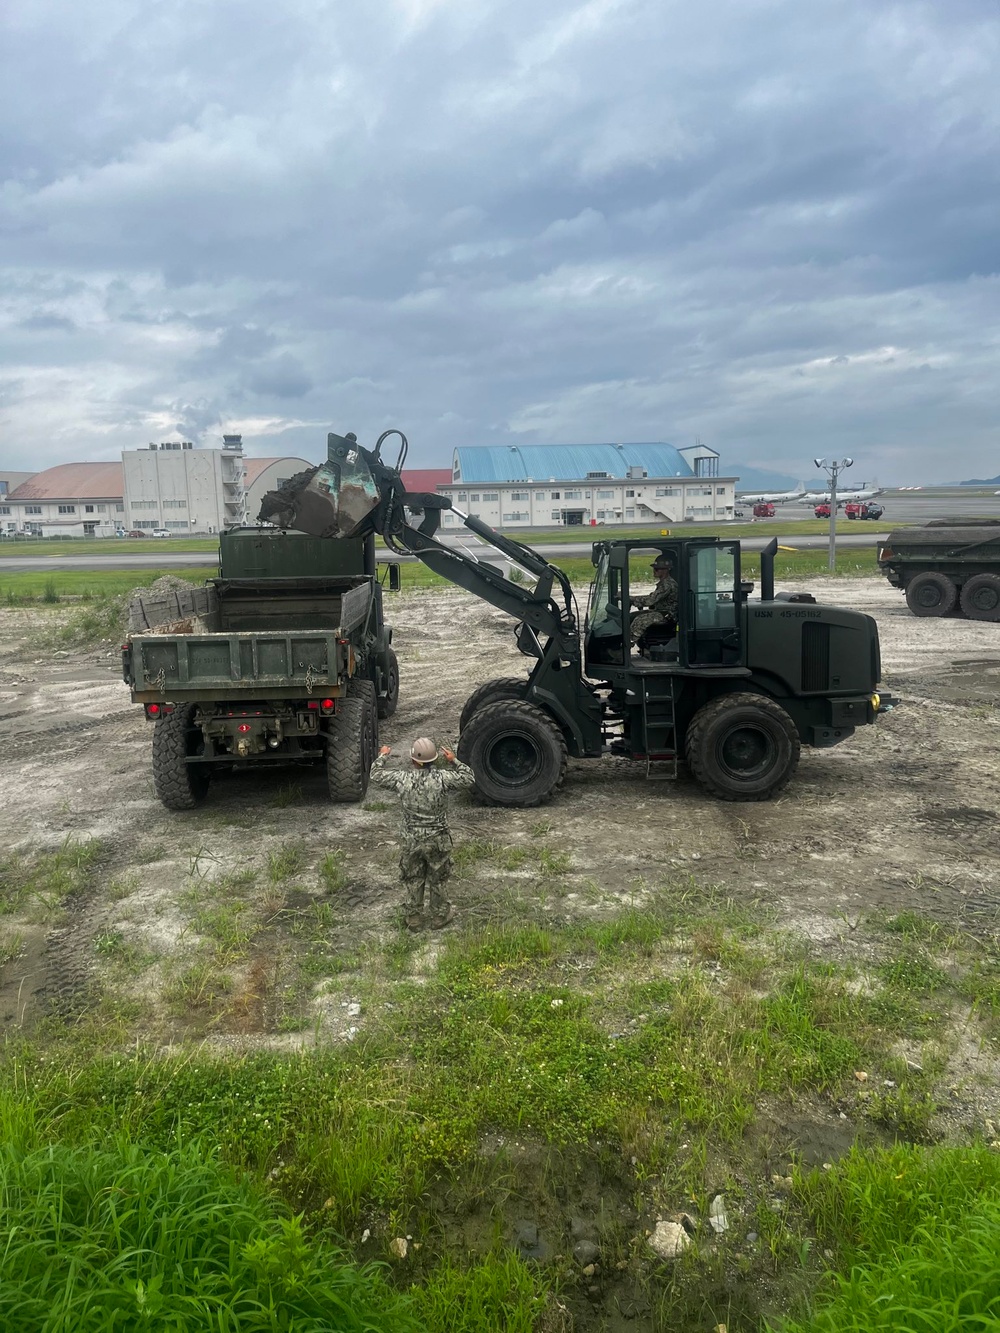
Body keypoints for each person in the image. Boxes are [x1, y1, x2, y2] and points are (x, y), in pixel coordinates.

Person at [369, 737, 475, 930]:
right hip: (438, 840)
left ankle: (414, 919)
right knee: (438, 879)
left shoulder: (402, 778)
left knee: (413, 878)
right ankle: (439, 917)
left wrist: (383, 756)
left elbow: (375, 775)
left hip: (412, 840)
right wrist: (454, 760)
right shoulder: (443, 778)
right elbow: (469, 778)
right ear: (433, 759)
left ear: (414, 760)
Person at [630, 555, 678, 647]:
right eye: (654, 568)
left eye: (657, 569)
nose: (654, 571)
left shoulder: (668, 585)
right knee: (632, 616)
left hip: (668, 615)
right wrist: (633, 600)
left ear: (666, 570)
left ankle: (627, 645)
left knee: (640, 620)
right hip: (661, 612)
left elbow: (650, 600)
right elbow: (652, 598)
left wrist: (631, 599)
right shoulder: (663, 583)